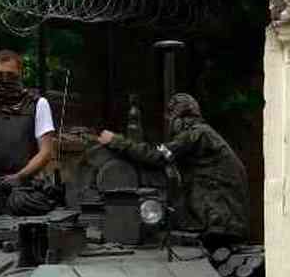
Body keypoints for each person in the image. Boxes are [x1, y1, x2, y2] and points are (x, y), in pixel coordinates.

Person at [98, 93, 249, 242]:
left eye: (171, 119)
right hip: (225, 219)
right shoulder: (202, 134)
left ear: (179, 120)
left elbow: (157, 156)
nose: (169, 123)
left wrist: (116, 141)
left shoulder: (197, 134)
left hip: (222, 222)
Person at [0, 49, 57, 212]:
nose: (5, 78)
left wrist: (19, 176)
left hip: (24, 185)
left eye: (10, 74)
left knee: (20, 202)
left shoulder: (38, 103)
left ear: (20, 73)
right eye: (0, 74)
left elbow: (45, 152)